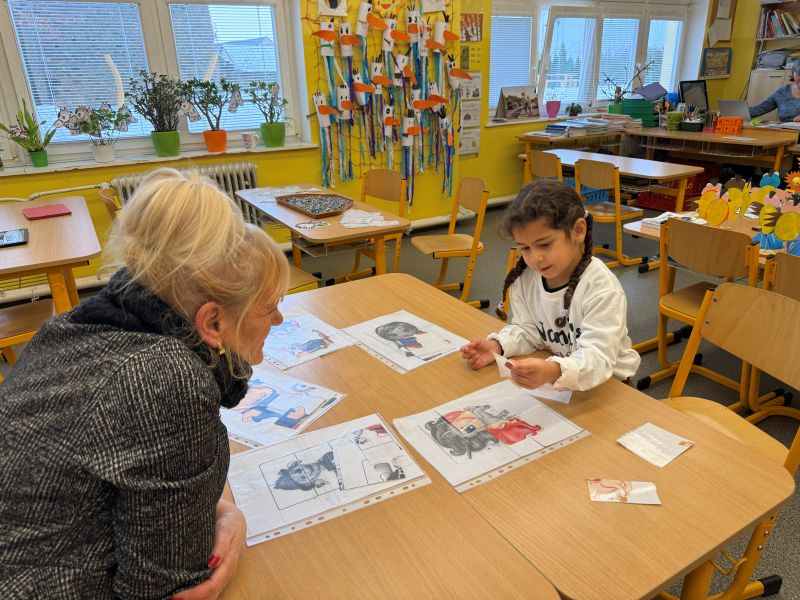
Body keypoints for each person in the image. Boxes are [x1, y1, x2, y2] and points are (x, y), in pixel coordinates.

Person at [0, 168, 289, 598]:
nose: (279, 319)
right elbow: (168, 588)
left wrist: (223, 510)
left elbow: (146, 479)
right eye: (270, 306)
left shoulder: (74, 325)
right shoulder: (167, 378)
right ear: (212, 323)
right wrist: (228, 520)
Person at [460, 180, 640, 391]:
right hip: (563, 382)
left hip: (610, 387)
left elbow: (598, 358)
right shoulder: (525, 279)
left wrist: (554, 371)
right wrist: (498, 346)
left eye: (545, 244)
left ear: (578, 230)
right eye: (525, 248)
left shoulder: (601, 288)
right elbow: (529, 331)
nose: (535, 258)